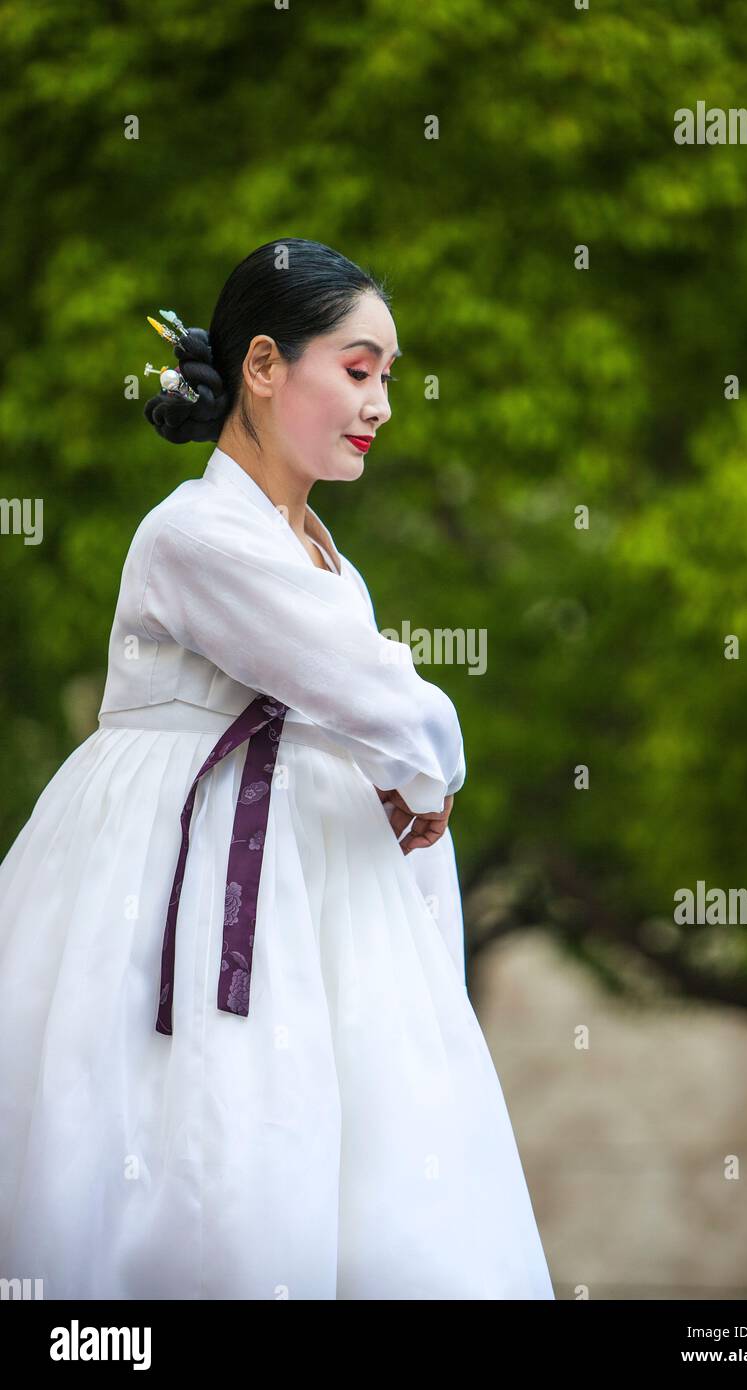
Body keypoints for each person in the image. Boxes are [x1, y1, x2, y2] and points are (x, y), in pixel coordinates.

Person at [0, 237, 555, 1299]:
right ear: (263, 365)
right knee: (200, 1147)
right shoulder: (196, 532)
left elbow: (361, 702)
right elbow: (391, 702)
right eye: (357, 368)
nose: (380, 403)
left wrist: (400, 764)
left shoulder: (316, 550)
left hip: (303, 876)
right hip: (177, 874)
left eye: (386, 376)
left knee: (357, 1159)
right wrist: (424, 772)